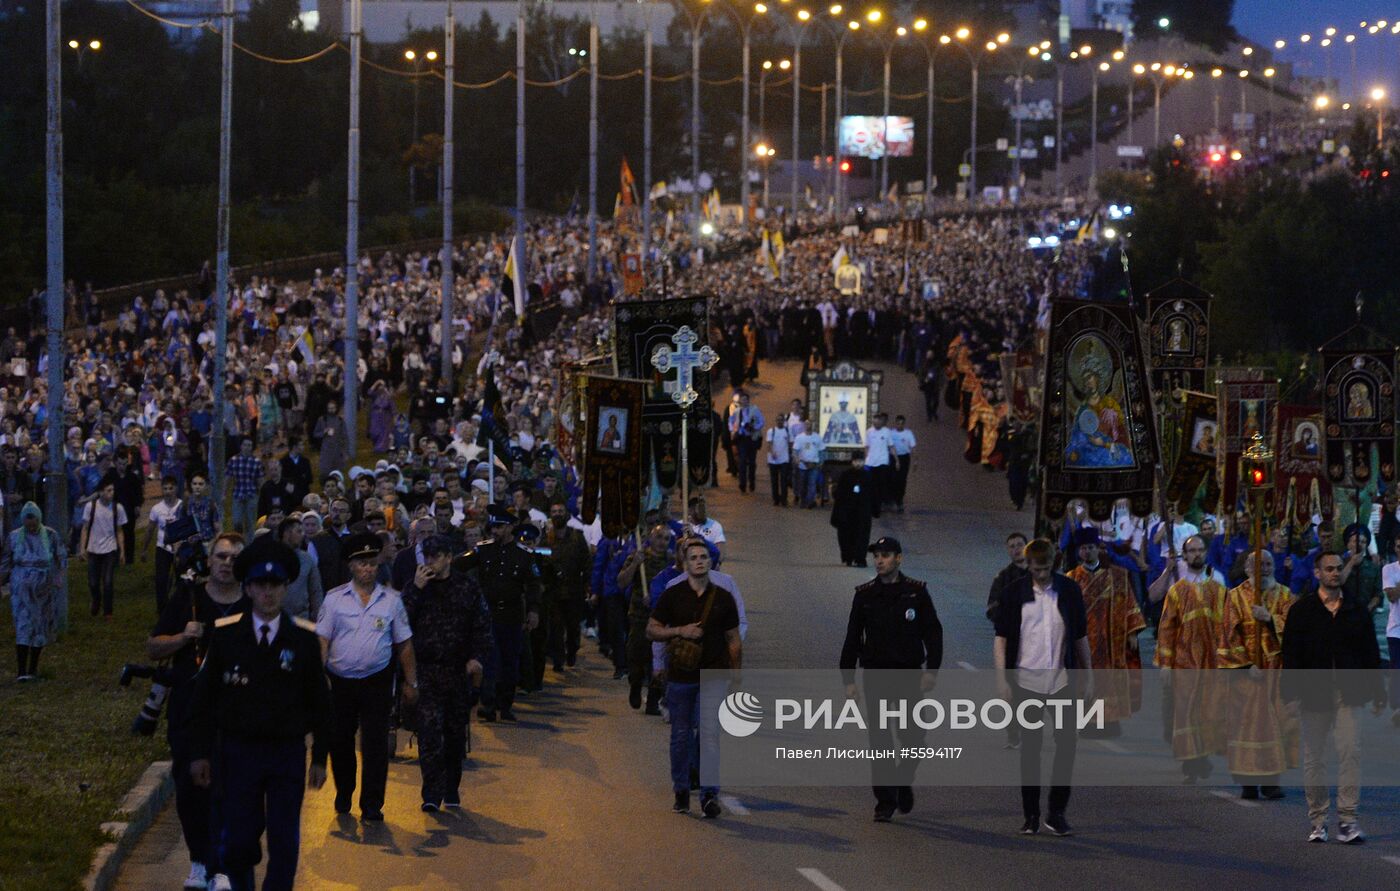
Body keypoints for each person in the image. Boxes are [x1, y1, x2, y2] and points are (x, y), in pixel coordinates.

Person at [185, 536, 331, 891]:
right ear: (248, 588)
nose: (268, 592)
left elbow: (320, 702)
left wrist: (320, 757)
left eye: (276, 585)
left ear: (285, 588)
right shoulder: (225, 636)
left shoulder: (304, 640)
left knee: (284, 839)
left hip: (286, 753)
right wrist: (199, 753)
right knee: (238, 839)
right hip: (239, 752)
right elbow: (204, 699)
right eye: (260, 584)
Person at [147, 532, 246, 890]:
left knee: (229, 788)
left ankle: (221, 864)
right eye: (220, 556)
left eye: (234, 557)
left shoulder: (250, 604)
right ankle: (199, 861)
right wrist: (183, 638)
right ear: (209, 560)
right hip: (189, 710)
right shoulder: (188, 599)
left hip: (235, 713)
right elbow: (154, 647)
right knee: (190, 789)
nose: (226, 563)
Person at [1282, 550, 1385, 844]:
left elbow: (1370, 654)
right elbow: (1291, 656)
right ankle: (1318, 820)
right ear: (1317, 573)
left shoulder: (1356, 609)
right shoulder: (1302, 611)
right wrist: (1289, 694)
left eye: (1339, 568)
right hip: (1314, 694)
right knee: (1315, 759)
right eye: (1328, 569)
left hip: (1348, 694)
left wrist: (1377, 692)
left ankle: (1348, 820)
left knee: (1350, 753)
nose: (1335, 573)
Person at [838, 537, 943, 822]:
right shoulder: (865, 595)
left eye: (885, 556)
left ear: (899, 558)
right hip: (877, 676)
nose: (879, 561)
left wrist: (932, 670)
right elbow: (852, 637)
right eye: (876, 556)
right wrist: (848, 678)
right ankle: (885, 800)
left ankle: (902, 780)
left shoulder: (916, 593)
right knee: (881, 739)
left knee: (913, 736)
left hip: (909, 675)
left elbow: (933, 632)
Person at [992, 538, 1092, 837]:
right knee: (1031, 750)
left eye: (1047, 569)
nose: (1042, 575)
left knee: (1067, 746)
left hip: (1061, 680)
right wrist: (1001, 679)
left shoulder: (1070, 591)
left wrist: (1090, 676)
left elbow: (1080, 637)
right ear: (1028, 566)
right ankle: (1031, 815)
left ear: (1054, 564)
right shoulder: (1014, 594)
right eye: (1036, 569)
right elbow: (1001, 640)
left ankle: (1057, 812)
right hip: (1026, 682)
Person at [317, 532, 418, 821]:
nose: (367, 569)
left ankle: (372, 803)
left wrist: (412, 682)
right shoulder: (334, 599)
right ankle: (345, 790)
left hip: (376, 681)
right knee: (340, 741)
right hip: (340, 682)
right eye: (362, 563)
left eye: (372, 563)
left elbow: (404, 643)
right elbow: (322, 640)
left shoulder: (391, 601)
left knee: (374, 744)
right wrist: (318, 678)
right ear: (351, 566)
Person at [647, 538, 742, 818]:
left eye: (703, 557)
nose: (699, 561)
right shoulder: (673, 595)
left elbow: (734, 640)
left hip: (713, 675)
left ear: (710, 562)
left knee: (709, 734)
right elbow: (652, 630)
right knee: (680, 736)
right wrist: (679, 631)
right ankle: (681, 788)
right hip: (680, 676)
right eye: (694, 557)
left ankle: (710, 794)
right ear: (685, 563)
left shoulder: (724, 598)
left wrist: (736, 677)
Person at [401, 534, 494, 812]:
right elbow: (400, 624)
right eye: (427, 556)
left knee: (454, 736)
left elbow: (481, 626)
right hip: (426, 671)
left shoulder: (467, 587)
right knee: (429, 734)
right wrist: (416, 590)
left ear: (448, 557)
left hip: (456, 672)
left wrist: (477, 658)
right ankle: (431, 792)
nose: (431, 562)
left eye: (436, 556)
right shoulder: (416, 587)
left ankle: (451, 787)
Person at [1217, 550, 1296, 800]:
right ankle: (1248, 782)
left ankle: (1271, 781)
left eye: (1269, 564)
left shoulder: (1285, 595)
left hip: (1276, 671)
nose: (1265, 569)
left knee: (1275, 727)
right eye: (1259, 565)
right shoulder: (1235, 596)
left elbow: (1295, 630)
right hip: (1246, 676)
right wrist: (1245, 665)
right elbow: (1227, 635)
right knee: (1247, 728)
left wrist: (1270, 619)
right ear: (1249, 569)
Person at [1151, 535, 1228, 781]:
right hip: (1184, 660)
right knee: (1184, 712)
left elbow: (1228, 624)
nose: (1196, 554)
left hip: (1212, 661)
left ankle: (1200, 757)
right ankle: (1191, 760)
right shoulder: (1177, 588)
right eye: (1191, 551)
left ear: (1206, 552)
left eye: (1200, 550)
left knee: (1207, 710)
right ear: (1185, 555)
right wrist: (1165, 664)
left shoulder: (1218, 584)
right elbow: (1166, 628)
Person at [459, 505, 541, 723]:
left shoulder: (524, 555)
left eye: (500, 527)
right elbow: (459, 564)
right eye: (493, 527)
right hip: (488, 615)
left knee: (510, 662)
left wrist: (533, 610)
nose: (495, 531)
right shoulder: (483, 549)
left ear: (511, 527)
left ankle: (505, 705)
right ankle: (488, 703)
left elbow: (533, 584)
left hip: (513, 615)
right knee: (490, 660)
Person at [1066, 527, 1145, 735]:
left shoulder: (1118, 576)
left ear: (1098, 549)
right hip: (1083, 641)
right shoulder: (1071, 578)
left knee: (1111, 679)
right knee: (1085, 679)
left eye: (1091, 548)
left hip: (1112, 639)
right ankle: (1088, 722)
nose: (1087, 552)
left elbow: (1130, 603)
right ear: (1078, 551)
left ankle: (1111, 721)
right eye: (1083, 549)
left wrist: (1132, 632)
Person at [4, 502, 66, 681]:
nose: (31, 527)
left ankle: (33, 668)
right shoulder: (15, 537)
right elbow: (6, 562)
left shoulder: (50, 535)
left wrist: (58, 576)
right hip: (21, 588)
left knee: (40, 626)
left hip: (43, 588)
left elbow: (61, 557)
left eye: (34, 522)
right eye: (28, 523)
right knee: (23, 624)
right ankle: (21, 670)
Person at [543, 502, 591, 671]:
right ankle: (558, 659)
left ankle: (572, 650)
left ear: (567, 514)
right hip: (554, 592)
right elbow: (542, 561)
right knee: (555, 628)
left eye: (560, 511)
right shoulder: (546, 539)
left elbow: (586, 562)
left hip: (573, 591)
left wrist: (587, 584)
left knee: (572, 627)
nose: (557, 514)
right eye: (554, 511)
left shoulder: (577, 537)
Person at [81, 477, 127, 617]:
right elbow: (85, 528)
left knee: (108, 581)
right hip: (94, 549)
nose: (111, 493)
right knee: (93, 582)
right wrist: (82, 548)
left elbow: (119, 530)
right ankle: (96, 600)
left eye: (112, 490)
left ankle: (108, 612)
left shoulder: (117, 508)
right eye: (108, 490)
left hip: (110, 549)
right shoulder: (91, 506)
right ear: (101, 492)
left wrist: (122, 551)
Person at [144, 475, 185, 615]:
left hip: (180, 548)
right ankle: (162, 610)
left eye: (171, 488)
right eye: (165, 488)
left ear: (176, 489)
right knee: (161, 580)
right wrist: (144, 549)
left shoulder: (182, 506)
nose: (168, 492)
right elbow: (150, 529)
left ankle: (180, 607)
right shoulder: (157, 509)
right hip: (162, 547)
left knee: (181, 579)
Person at [277, 518, 323, 621]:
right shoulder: (272, 557)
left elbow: (315, 591)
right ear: (287, 533)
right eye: (298, 531)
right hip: (275, 618)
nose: (302, 535)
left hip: (301, 618)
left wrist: (318, 616)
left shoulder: (307, 559)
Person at [831, 455, 873, 567]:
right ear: (852, 462)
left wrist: (873, 509)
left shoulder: (868, 476)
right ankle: (848, 557)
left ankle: (860, 558)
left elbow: (873, 494)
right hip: (847, 511)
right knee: (846, 535)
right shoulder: (845, 475)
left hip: (862, 511)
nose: (858, 464)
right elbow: (839, 494)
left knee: (862, 536)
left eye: (860, 461)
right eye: (856, 461)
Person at [727, 390, 764, 495]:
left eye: (745, 400)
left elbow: (761, 421)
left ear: (748, 400)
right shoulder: (737, 411)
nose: (744, 402)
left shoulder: (754, 409)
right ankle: (742, 483)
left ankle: (752, 481)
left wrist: (754, 427)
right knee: (742, 461)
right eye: (742, 400)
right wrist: (733, 430)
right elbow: (731, 421)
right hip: (742, 438)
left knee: (752, 462)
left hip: (752, 438)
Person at [226, 439, 262, 535]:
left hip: (252, 494)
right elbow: (228, 477)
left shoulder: (256, 461)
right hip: (238, 493)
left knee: (250, 523)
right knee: (237, 521)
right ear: (241, 446)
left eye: (249, 445)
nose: (247, 447)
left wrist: (261, 494)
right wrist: (224, 493)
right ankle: (239, 540)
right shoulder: (233, 460)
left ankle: (250, 544)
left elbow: (260, 480)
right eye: (245, 445)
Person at [863, 412, 895, 518]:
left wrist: (897, 459)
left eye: (878, 423)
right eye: (874, 423)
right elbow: (866, 447)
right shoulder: (869, 432)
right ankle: (872, 507)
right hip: (871, 463)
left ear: (881, 422)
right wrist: (866, 459)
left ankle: (877, 508)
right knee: (871, 486)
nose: (876, 425)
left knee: (880, 486)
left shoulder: (887, 432)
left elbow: (891, 446)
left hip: (882, 462)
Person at [1383, 530, 1400, 726]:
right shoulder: (1389, 569)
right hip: (1396, 628)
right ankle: (1397, 706)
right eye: (1398, 547)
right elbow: (1392, 595)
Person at [790, 419, 825, 509]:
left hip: (813, 464)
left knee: (812, 484)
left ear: (812, 425)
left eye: (809, 424)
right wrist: (796, 459)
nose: (808, 425)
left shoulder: (817, 437)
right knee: (802, 484)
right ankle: (803, 501)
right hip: (802, 464)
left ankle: (810, 502)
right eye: (806, 424)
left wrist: (820, 462)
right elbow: (795, 451)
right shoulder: (799, 437)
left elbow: (822, 451)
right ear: (804, 425)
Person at [888, 415, 916, 513]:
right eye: (898, 423)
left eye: (902, 424)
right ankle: (892, 498)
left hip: (904, 458)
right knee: (893, 479)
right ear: (895, 423)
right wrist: (895, 460)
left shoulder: (908, 434)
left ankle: (900, 500)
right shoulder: (891, 433)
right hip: (893, 458)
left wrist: (915, 461)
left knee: (902, 479)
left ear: (904, 424)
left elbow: (912, 448)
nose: (899, 425)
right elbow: (889, 446)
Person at [687, 496, 726, 563]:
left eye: (704, 509)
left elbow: (720, 554)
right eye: (699, 510)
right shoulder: (683, 525)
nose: (703, 513)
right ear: (690, 510)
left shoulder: (715, 526)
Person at [765, 419, 792, 507]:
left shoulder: (787, 431)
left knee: (784, 480)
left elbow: (790, 443)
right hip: (773, 460)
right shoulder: (771, 431)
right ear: (776, 421)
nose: (779, 422)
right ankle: (775, 498)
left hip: (784, 459)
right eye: (778, 420)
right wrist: (772, 452)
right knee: (774, 480)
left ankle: (784, 499)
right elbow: (769, 444)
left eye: (781, 420)